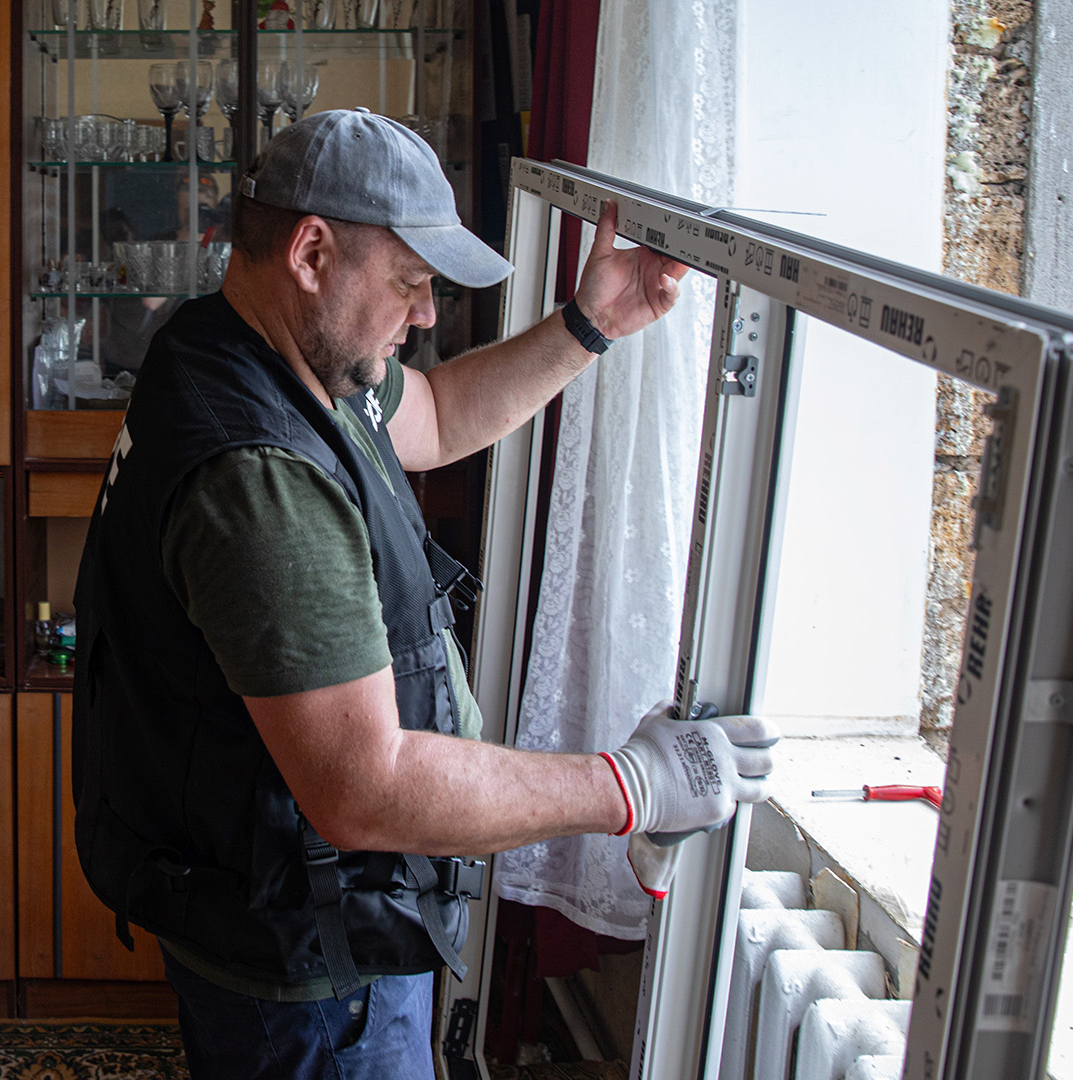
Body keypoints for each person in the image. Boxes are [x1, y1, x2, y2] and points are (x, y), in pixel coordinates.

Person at [72, 108, 776, 1080]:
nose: (429, 314)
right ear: (313, 252)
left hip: (282, 936)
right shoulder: (259, 479)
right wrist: (634, 786)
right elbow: (368, 788)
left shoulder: (240, 344)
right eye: (409, 282)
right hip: (316, 992)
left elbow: (437, 416)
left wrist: (592, 323)